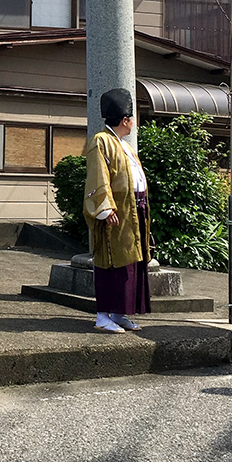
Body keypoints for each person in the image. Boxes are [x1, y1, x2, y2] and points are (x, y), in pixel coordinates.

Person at [84, 89, 150, 334]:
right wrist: (105, 207)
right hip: (116, 212)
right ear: (125, 120)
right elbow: (98, 176)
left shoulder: (123, 145)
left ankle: (120, 313)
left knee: (130, 262)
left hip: (134, 210)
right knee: (111, 261)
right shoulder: (101, 140)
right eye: (133, 118)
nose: (134, 123)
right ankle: (103, 315)